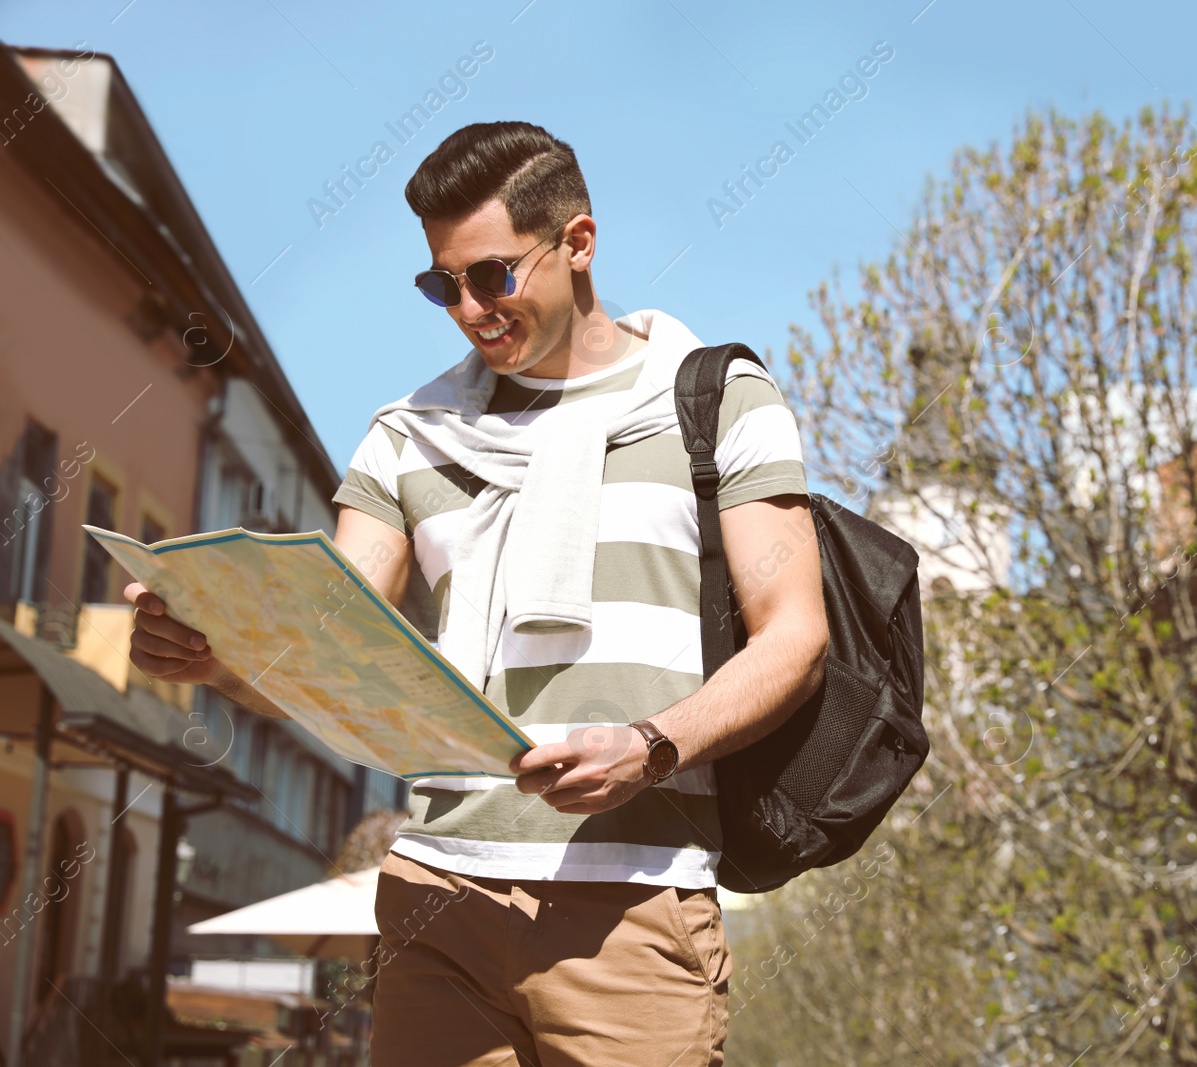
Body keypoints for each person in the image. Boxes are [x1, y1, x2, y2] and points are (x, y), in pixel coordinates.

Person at [124, 121, 828, 1067]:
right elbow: (336, 662)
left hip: (633, 900)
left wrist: (653, 747)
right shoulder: (408, 436)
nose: (466, 309)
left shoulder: (717, 400)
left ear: (577, 243)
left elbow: (796, 637)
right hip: (434, 900)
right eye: (439, 284)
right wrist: (219, 657)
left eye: (491, 276)